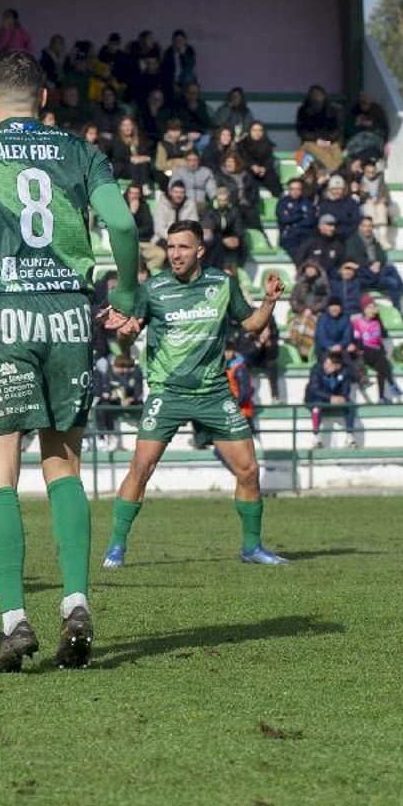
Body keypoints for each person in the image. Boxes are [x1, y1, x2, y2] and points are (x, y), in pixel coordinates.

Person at [0, 50, 142, 672]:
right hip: (66, 313)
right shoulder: (79, 149)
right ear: (43, 99)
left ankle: (13, 620)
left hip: (0, 313)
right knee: (62, 465)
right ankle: (76, 601)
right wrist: (124, 292)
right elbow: (120, 221)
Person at [103, 222, 289, 569]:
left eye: (183, 247)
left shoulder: (222, 284)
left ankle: (252, 547)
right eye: (171, 247)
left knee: (248, 470)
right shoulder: (153, 289)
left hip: (214, 392)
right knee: (142, 466)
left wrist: (269, 301)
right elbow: (128, 339)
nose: (175, 254)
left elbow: (251, 325)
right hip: (168, 392)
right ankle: (116, 547)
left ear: (199, 250)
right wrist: (125, 334)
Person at [305, 348, 362, 448]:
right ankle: (316, 437)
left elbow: (345, 388)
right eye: (326, 362)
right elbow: (314, 389)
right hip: (316, 398)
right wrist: (330, 397)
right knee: (316, 409)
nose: (326, 366)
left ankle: (350, 437)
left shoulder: (344, 372)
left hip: (335, 398)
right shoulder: (316, 369)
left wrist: (342, 398)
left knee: (350, 405)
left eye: (330, 365)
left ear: (337, 366)